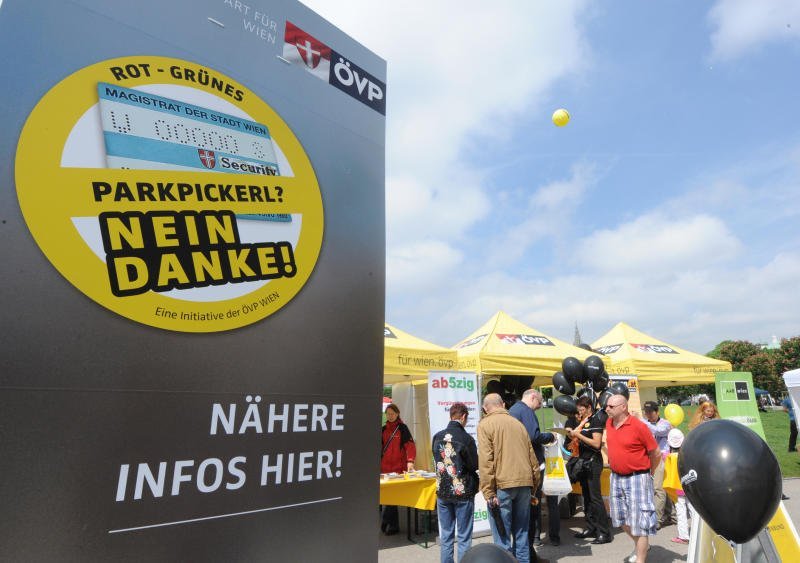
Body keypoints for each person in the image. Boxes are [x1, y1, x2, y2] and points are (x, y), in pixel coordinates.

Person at [478, 393, 539, 563]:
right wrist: (533, 487)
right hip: (524, 484)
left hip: (502, 486)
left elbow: (485, 461)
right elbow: (533, 460)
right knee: (522, 535)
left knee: (502, 540)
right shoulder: (518, 424)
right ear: (503, 404)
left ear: (485, 408)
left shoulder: (485, 425)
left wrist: (488, 492)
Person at [605, 395, 661, 563]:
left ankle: (640, 558)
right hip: (616, 477)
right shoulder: (609, 423)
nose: (607, 409)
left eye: (611, 406)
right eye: (607, 406)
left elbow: (656, 453)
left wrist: (650, 473)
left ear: (623, 407)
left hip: (637, 477)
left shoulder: (639, 426)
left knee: (640, 522)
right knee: (619, 517)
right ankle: (642, 545)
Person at [509, 389, 561, 553]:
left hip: (517, 464)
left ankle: (530, 543)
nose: (539, 406)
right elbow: (534, 435)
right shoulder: (526, 411)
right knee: (533, 505)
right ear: (532, 397)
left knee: (521, 510)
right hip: (532, 465)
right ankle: (530, 549)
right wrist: (550, 437)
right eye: (539, 402)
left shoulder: (512, 410)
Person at [432, 402, 479, 563]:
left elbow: (437, 459)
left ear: (451, 415)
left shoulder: (437, 436)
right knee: (464, 537)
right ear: (464, 416)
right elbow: (474, 464)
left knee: (446, 536)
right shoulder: (466, 439)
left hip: (443, 491)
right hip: (462, 491)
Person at [567, 395, 612, 545]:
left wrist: (578, 435)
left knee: (595, 498)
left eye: (582, 410)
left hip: (593, 462)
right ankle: (591, 527)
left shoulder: (596, 420)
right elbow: (578, 437)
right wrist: (572, 433)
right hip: (583, 462)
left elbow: (596, 444)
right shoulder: (584, 421)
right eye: (578, 410)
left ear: (589, 408)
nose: (580, 412)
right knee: (586, 497)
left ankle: (604, 532)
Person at [381, 403, 416, 535]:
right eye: (388, 414)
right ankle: (389, 522)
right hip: (384, 468)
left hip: (397, 468)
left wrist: (410, 460)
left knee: (393, 496)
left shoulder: (402, 428)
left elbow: (410, 446)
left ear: (397, 414)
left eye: (392, 414)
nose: (390, 416)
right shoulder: (383, 429)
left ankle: (390, 523)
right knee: (388, 496)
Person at [641, 401, 675, 529]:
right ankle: (672, 515)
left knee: (658, 488)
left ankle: (657, 519)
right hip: (648, 458)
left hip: (662, 458)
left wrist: (641, 421)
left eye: (650, 412)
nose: (648, 414)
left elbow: (658, 431)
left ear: (657, 412)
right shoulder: (645, 424)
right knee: (661, 487)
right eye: (646, 412)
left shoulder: (665, 424)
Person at [665, 428, 692, 545]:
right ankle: (699, 534)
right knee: (693, 510)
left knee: (681, 513)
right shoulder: (687, 455)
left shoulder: (667, 457)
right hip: (689, 487)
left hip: (677, 489)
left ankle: (684, 536)